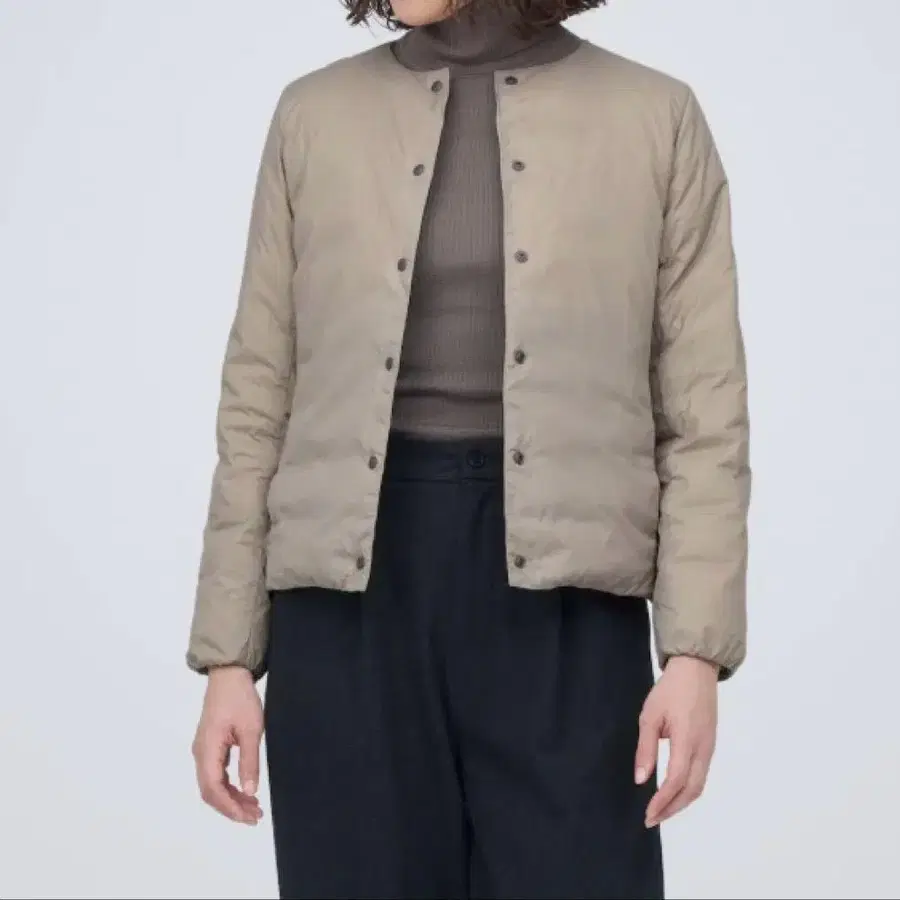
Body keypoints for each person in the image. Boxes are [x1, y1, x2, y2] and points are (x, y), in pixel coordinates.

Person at [187, 0, 750, 896]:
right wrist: (228, 658)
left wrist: (695, 654)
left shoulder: (654, 116)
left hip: (569, 607)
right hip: (346, 599)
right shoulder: (313, 115)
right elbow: (258, 396)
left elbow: (704, 413)